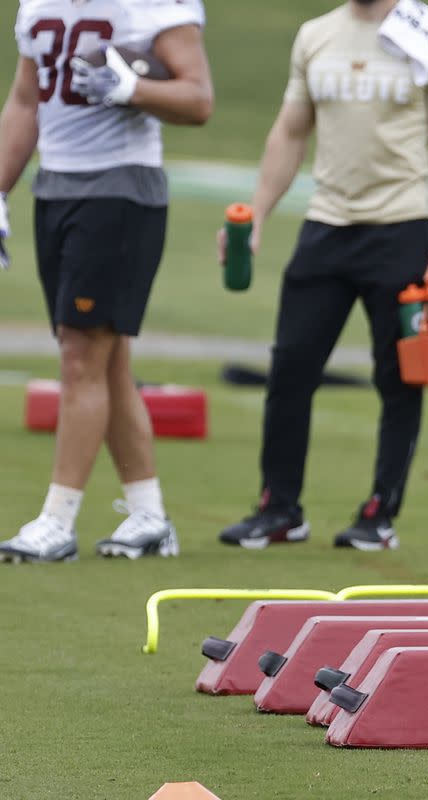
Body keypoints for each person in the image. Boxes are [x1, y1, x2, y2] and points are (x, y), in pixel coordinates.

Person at [215, 0, 428, 551]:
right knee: (289, 369)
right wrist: (256, 215)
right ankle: (279, 509)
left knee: (398, 380)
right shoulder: (315, 35)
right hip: (326, 227)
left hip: (401, 228)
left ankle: (379, 513)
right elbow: (288, 132)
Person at [0, 0, 213, 563]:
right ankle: (148, 516)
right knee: (106, 357)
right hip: (56, 187)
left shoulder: (152, 5)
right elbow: (27, 101)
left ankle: (56, 521)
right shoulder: (38, 3)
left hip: (119, 188)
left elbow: (198, 99)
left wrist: (133, 90)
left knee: (80, 355)